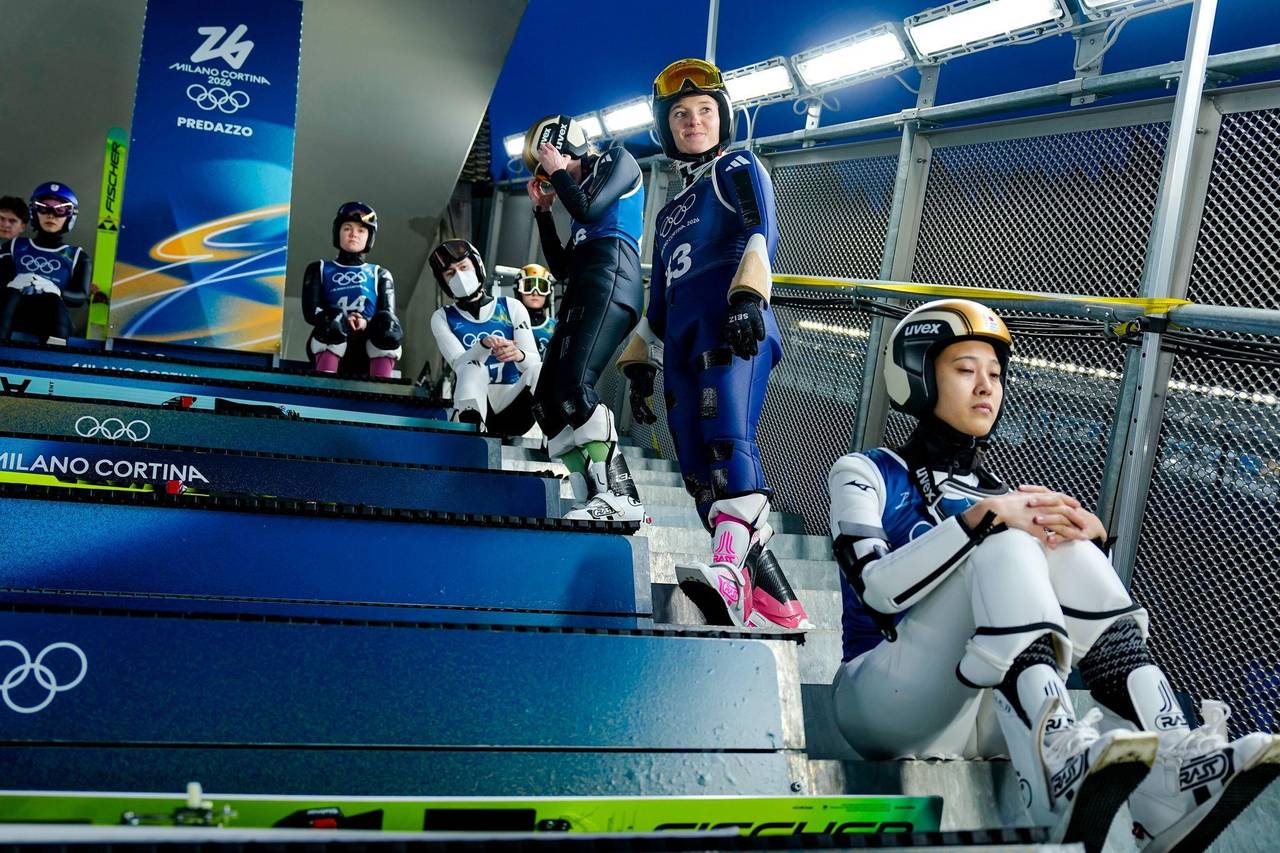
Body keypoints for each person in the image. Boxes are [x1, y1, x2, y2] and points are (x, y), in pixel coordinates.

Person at [827, 299, 1280, 851]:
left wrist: (1092, 545)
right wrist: (983, 520)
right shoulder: (866, 470)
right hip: (883, 701)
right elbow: (875, 588)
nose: (986, 387)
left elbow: (1065, 601)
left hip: (984, 716)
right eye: (965, 370)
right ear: (919, 375)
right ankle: (1057, 761)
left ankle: (1173, 759)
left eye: (995, 375)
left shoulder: (1006, 497)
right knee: (1011, 536)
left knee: (1064, 540)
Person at [618, 59, 809, 630]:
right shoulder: (667, 213)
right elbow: (658, 298)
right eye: (680, 114)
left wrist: (750, 296)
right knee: (698, 472)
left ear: (722, 117)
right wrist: (640, 361)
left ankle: (726, 573)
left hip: (731, 326)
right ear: (667, 128)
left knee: (728, 443)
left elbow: (761, 229)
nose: (693, 121)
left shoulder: (736, 165)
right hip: (680, 342)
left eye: (704, 110)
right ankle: (779, 603)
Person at [525, 114, 646, 523]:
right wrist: (543, 212)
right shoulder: (580, 197)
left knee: (575, 387)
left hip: (613, 280)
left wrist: (560, 173)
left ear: (566, 146)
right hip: (583, 286)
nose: (546, 172)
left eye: (546, 159)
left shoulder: (617, 160)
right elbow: (561, 267)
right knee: (546, 402)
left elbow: (589, 208)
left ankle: (623, 494)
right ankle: (591, 493)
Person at [428, 239, 541, 438]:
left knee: (540, 369)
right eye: (450, 273)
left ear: (477, 266)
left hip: (513, 408)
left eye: (463, 267)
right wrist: (482, 345)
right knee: (472, 367)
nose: (459, 276)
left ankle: (555, 440)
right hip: (474, 407)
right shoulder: (442, 317)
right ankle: (472, 436)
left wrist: (518, 355)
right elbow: (458, 363)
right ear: (443, 282)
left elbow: (533, 363)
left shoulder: (512, 307)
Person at [301, 202, 402, 378]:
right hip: (330, 337)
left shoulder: (380, 274)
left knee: (387, 323)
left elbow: (388, 314)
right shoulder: (319, 268)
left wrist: (365, 322)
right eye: (347, 228)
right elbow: (311, 312)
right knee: (333, 319)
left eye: (361, 230)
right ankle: (323, 383)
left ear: (369, 237)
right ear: (337, 232)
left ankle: (381, 387)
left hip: (367, 346)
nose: (354, 234)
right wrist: (341, 319)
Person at [0, 182, 90, 344]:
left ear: (70, 216)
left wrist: (57, 291)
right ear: (34, 211)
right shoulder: (14, 246)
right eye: (44, 208)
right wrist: (11, 284)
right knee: (11, 295)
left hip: (52, 319)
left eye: (60, 210)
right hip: (13, 315)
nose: (51, 215)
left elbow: (81, 296)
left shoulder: (77, 256)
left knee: (52, 300)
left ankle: (55, 354)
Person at [514, 262, 556, 361]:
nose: (535, 292)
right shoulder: (509, 325)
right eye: (528, 286)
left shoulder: (557, 328)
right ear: (518, 291)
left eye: (542, 287)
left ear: (549, 293)